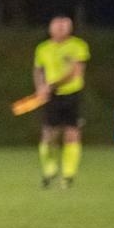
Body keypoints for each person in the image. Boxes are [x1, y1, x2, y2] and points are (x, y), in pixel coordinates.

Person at [33, 16, 89, 189]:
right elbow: (38, 70)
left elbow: (76, 72)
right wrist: (40, 88)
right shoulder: (42, 48)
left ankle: (68, 175)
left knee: (72, 133)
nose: (61, 29)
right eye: (57, 26)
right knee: (48, 134)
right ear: (51, 28)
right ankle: (50, 168)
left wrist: (52, 84)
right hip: (51, 96)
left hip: (72, 94)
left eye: (65, 26)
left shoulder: (78, 46)